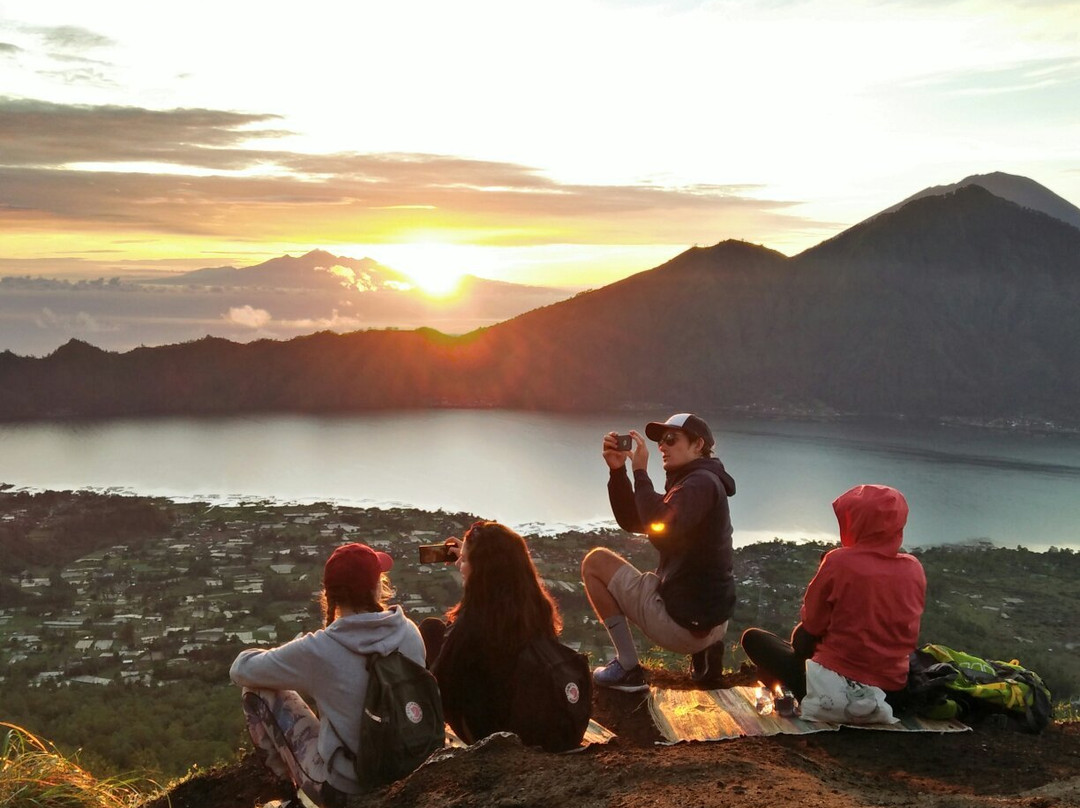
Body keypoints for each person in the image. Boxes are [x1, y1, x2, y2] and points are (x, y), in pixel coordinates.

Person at [230, 542, 426, 808]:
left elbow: (241, 669)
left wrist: (290, 652)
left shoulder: (319, 650)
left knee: (255, 690)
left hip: (348, 790)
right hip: (411, 767)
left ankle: (287, 792)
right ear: (376, 587)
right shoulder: (409, 631)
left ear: (329, 595)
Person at [741, 484, 926, 723]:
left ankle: (788, 691)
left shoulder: (838, 561)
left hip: (833, 694)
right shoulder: (914, 568)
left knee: (754, 638)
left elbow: (812, 626)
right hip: (893, 695)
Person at [583, 412, 737, 692]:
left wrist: (640, 473)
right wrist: (618, 472)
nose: (662, 447)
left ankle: (627, 668)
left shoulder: (699, 483)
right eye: (660, 442)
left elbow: (661, 528)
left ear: (697, 444)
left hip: (683, 627)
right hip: (711, 622)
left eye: (670, 439)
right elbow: (634, 521)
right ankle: (707, 655)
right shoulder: (699, 482)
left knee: (595, 563)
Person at [419, 520, 564, 744]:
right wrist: (469, 557)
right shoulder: (536, 605)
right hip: (526, 715)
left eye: (465, 560)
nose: (461, 566)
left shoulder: (474, 619)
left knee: (431, 629)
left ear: (482, 569)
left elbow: (442, 683)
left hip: (487, 729)